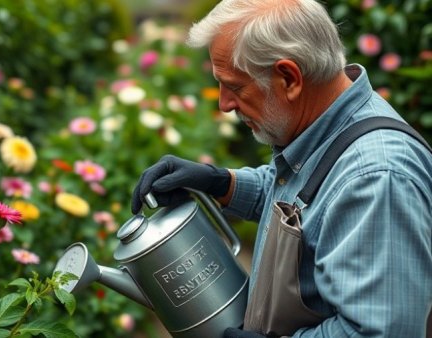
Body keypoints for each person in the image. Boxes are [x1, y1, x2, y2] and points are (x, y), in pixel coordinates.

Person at [130, 0, 432, 337]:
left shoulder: (375, 179)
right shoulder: (329, 127)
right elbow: (308, 202)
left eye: (235, 86)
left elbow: (383, 332)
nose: (224, 104)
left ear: (289, 78)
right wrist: (221, 183)